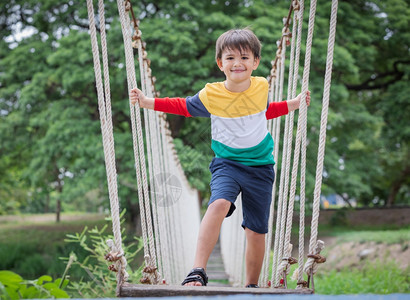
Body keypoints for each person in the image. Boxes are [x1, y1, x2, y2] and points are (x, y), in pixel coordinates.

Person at [130, 28, 310, 288]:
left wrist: (292, 105)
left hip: (261, 167)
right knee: (218, 204)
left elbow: (262, 112)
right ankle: (197, 270)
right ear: (220, 64)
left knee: (256, 231)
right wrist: (148, 102)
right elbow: (183, 106)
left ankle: (251, 286)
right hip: (227, 165)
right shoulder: (211, 94)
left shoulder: (261, 86)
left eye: (245, 58)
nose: (238, 63)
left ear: (256, 63)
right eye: (230, 58)